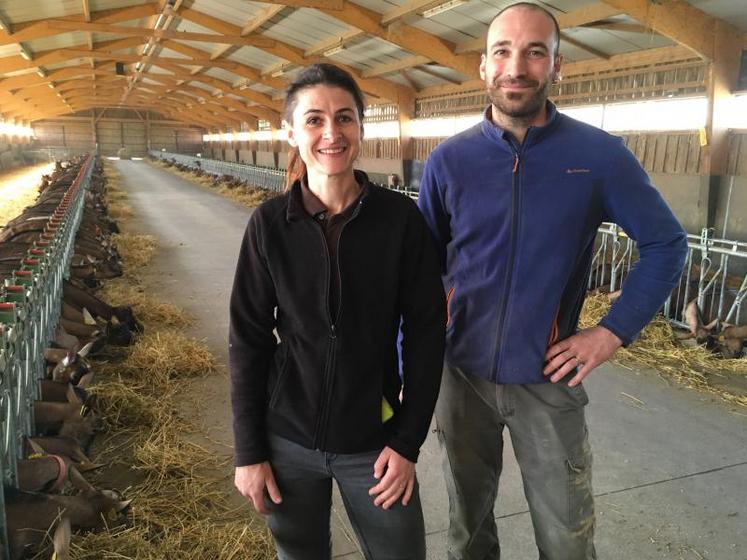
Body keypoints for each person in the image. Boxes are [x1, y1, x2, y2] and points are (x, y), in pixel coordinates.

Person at [417, 3, 688, 559]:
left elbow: (667, 244)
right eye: (503, 52)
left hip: (547, 375)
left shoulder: (598, 156)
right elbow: (419, 273)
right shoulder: (449, 161)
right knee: (467, 528)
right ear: (484, 66)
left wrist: (611, 332)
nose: (517, 66)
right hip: (460, 375)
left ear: (556, 65)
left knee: (566, 534)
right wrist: (406, 361)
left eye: (534, 52)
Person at [229, 63, 445, 560]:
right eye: (314, 120)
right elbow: (249, 339)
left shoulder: (400, 221)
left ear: (361, 129)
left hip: (374, 442)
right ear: (290, 132)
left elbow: (427, 335)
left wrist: (408, 441)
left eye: (345, 118)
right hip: (286, 439)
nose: (332, 133)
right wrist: (250, 450)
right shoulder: (269, 225)